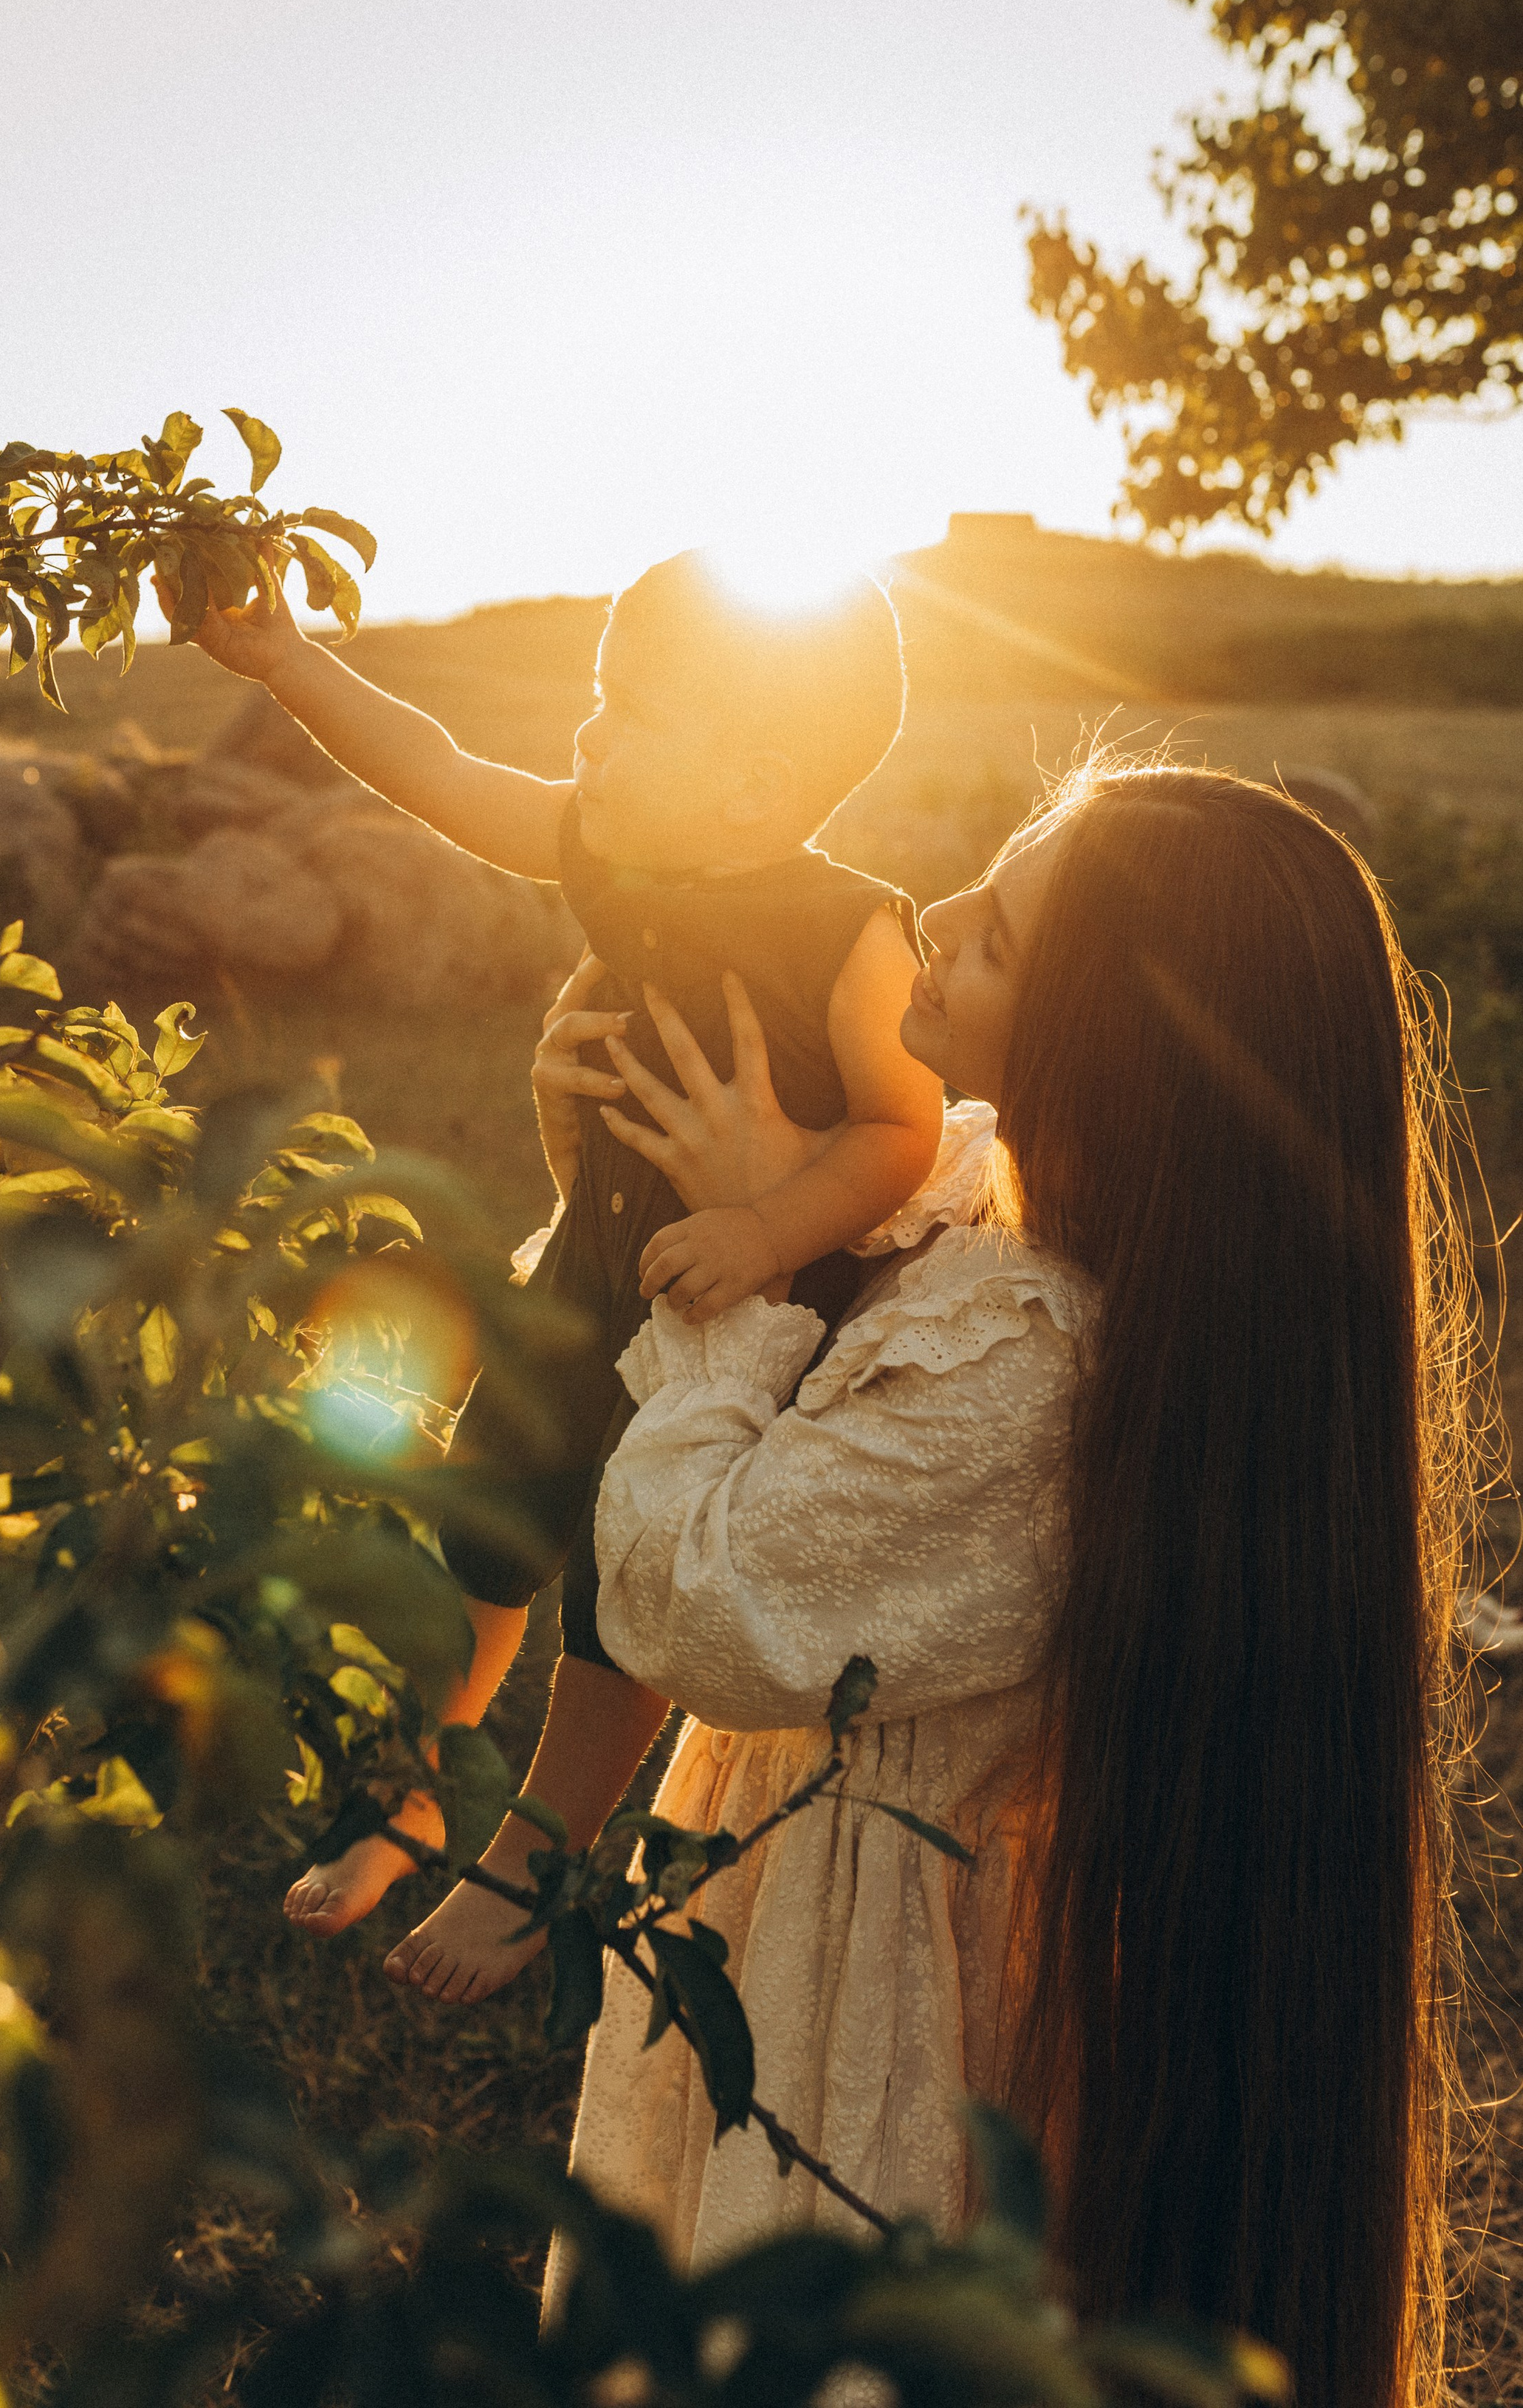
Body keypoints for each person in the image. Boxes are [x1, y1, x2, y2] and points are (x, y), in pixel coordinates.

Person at [555, 762, 1472, 2408]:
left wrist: (726, 1277)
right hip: (853, 1924)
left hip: (863, 2012)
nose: (938, 920)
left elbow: (698, 1595)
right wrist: (714, 1158)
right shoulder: (1002, 1206)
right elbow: (885, 1183)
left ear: (1116, 1047)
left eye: (997, 936)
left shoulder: (1032, 1368)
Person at [176, 551, 943, 1998]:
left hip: (736, 1318)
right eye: (599, 698)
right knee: (485, 1527)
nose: (589, 738)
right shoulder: (606, 850)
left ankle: (532, 1854)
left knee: (621, 1586)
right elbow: (440, 769)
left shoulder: (854, 934)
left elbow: (899, 1129)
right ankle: (406, 1791)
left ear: (751, 786)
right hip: (589, 1272)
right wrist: (287, 665)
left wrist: (767, 1229)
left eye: (632, 708)